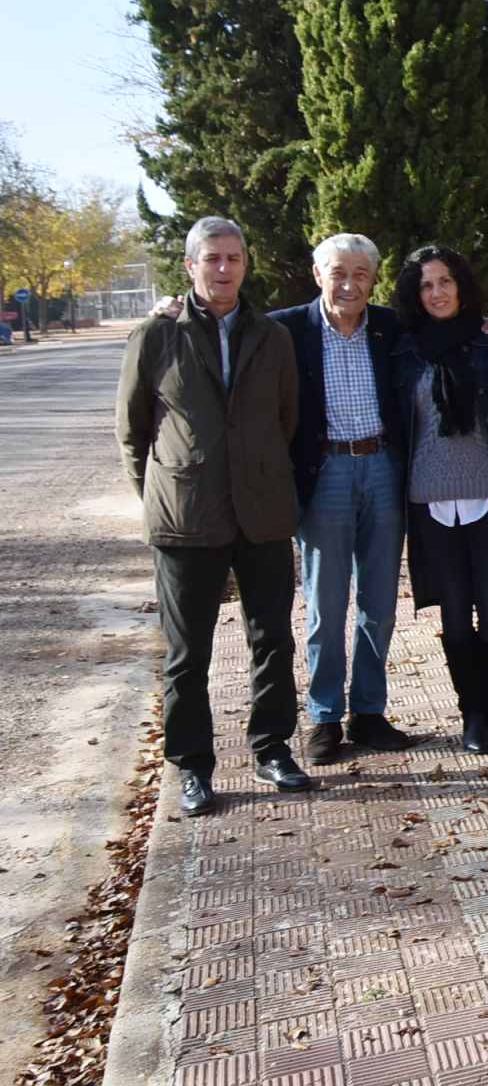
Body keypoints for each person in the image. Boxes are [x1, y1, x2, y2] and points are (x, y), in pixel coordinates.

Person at [115, 217, 313, 816]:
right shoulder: (156, 336)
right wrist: (162, 492)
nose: (224, 269)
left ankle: (273, 747)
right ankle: (193, 765)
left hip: (262, 512)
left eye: (234, 258)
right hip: (186, 516)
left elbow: (287, 420)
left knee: (272, 639)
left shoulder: (272, 336)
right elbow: (133, 430)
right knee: (186, 651)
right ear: (191, 266)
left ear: (245, 265)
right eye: (212, 259)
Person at [266, 234, 416, 763]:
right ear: (317, 274)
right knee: (326, 603)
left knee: (379, 601)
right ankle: (325, 715)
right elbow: (228, 333)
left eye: (360, 274)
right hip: (325, 470)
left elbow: (446, 334)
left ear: (373, 279)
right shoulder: (285, 329)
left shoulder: (390, 328)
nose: (349, 284)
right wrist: (171, 315)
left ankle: (369, 712)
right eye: (338, 272)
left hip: (383, 469)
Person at [390, 246, 488, 753]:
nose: (437, 292)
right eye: (426, 285)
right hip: (427, 501)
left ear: (462, 286)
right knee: (454, 614)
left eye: (445, 281)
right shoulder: (401, 349)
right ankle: (471, 713)